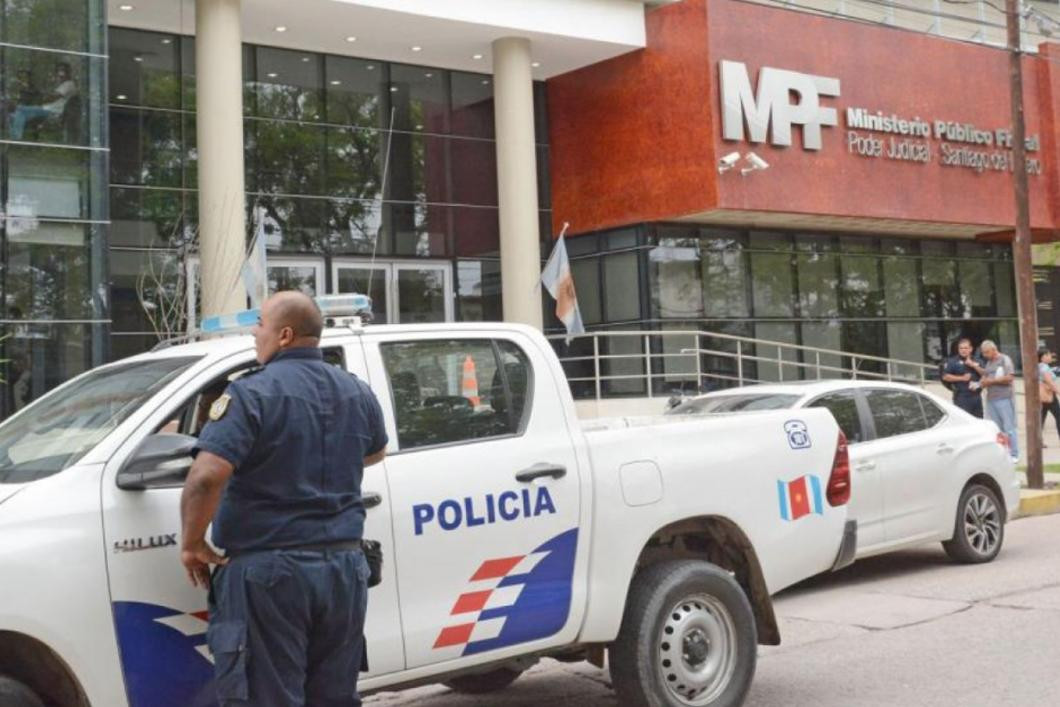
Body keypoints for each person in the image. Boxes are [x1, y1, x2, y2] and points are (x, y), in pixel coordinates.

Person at [180, 291, 388, 707]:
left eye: (260, 324)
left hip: (272, 574)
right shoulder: (355, 390)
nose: (255, 334)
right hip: (345, 572)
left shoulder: (250, 394)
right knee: (331, 698)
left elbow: (206, 477)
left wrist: (192, 544)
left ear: (285, 335)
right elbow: (376, 451)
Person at [967, 340, 1018, 461]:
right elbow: (986, 375)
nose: (985, 355)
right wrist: (978, 383)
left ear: (994, 350)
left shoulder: (1005, 360)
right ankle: (1003, 453)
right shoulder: (989, 362)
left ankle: (1014, 454)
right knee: (997, 429)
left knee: (1009, 428)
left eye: (987, 352)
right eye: (983, 353)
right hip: (991, 399)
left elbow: (1010, 378)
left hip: (1004, 398)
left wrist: (990, 382)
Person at [8, 62, 77, 140]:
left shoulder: (69, 84)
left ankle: (15, 139)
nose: (60, 73)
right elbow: (49, 96)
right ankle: (16, 139)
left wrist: (44, 97)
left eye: (63, 70)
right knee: (18, 114)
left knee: (18, 109)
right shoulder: (62, 84)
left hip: (52, 111)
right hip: (46, 108)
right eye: (59, 70)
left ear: (68, 72)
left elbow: (52, 97)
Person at [942, 337, 984, 418]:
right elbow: (945, 377)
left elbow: (985, 374)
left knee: (979, 422)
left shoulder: (977, 360)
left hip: (976, 397)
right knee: (964, 422)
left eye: (965, 348)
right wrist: (962, 378)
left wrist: (973, 365)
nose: (963, 350)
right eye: (961, 348)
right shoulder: (952, 361)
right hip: (961, 397)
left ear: (971, 349)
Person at [1039, 350, 1060, 446]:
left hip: (1042, 397)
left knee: (1041, 420)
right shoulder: (1044, 368)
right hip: (1049, 396)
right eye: (1048, 355)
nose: (1050, 356)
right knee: (1059, 417)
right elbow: (1050, 382)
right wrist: (1058, 391)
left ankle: (1038, 441)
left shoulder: (1040, 366)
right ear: (1043, 357)